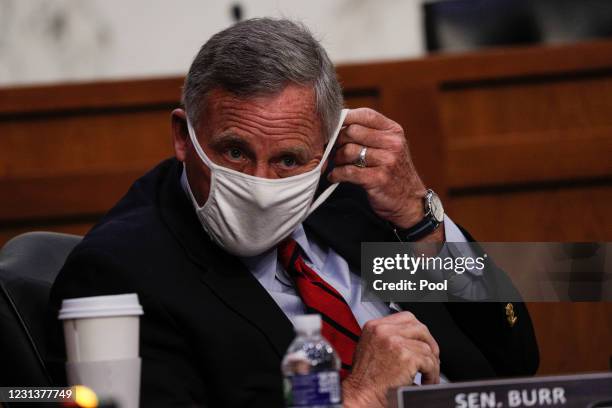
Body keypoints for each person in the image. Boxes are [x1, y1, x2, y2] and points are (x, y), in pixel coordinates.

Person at [45, 18, 538, 408]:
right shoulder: (121, 272)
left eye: (288, 160)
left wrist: (419, 219)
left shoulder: (348, 202)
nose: (261, 184)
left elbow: (513, 354)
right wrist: (361, 396)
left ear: (325, 153)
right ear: (183, 137)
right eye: (235, 152)